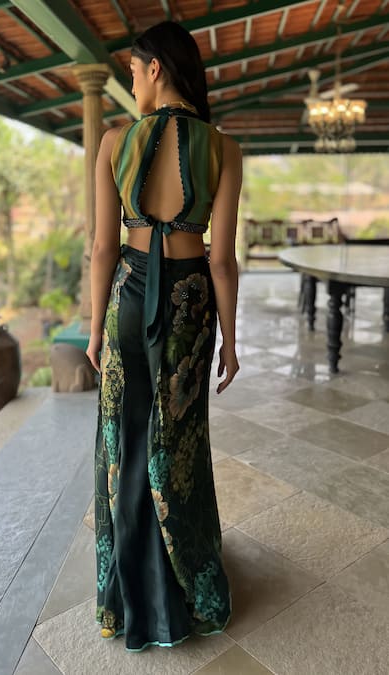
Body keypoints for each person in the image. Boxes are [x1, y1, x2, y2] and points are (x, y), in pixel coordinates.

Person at [86, 20, 242, 653]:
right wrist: (231, 339)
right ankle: (187, 589)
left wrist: (93, 330)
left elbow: (102, 248)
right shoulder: (223, 148)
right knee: (179, 442)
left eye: (132, 71)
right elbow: (221, 260)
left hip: (127, 294)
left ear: (155, 68)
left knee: (121, 441)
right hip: (189, 305)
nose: (131, 83)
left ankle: (123, 603)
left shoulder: (112, 142)